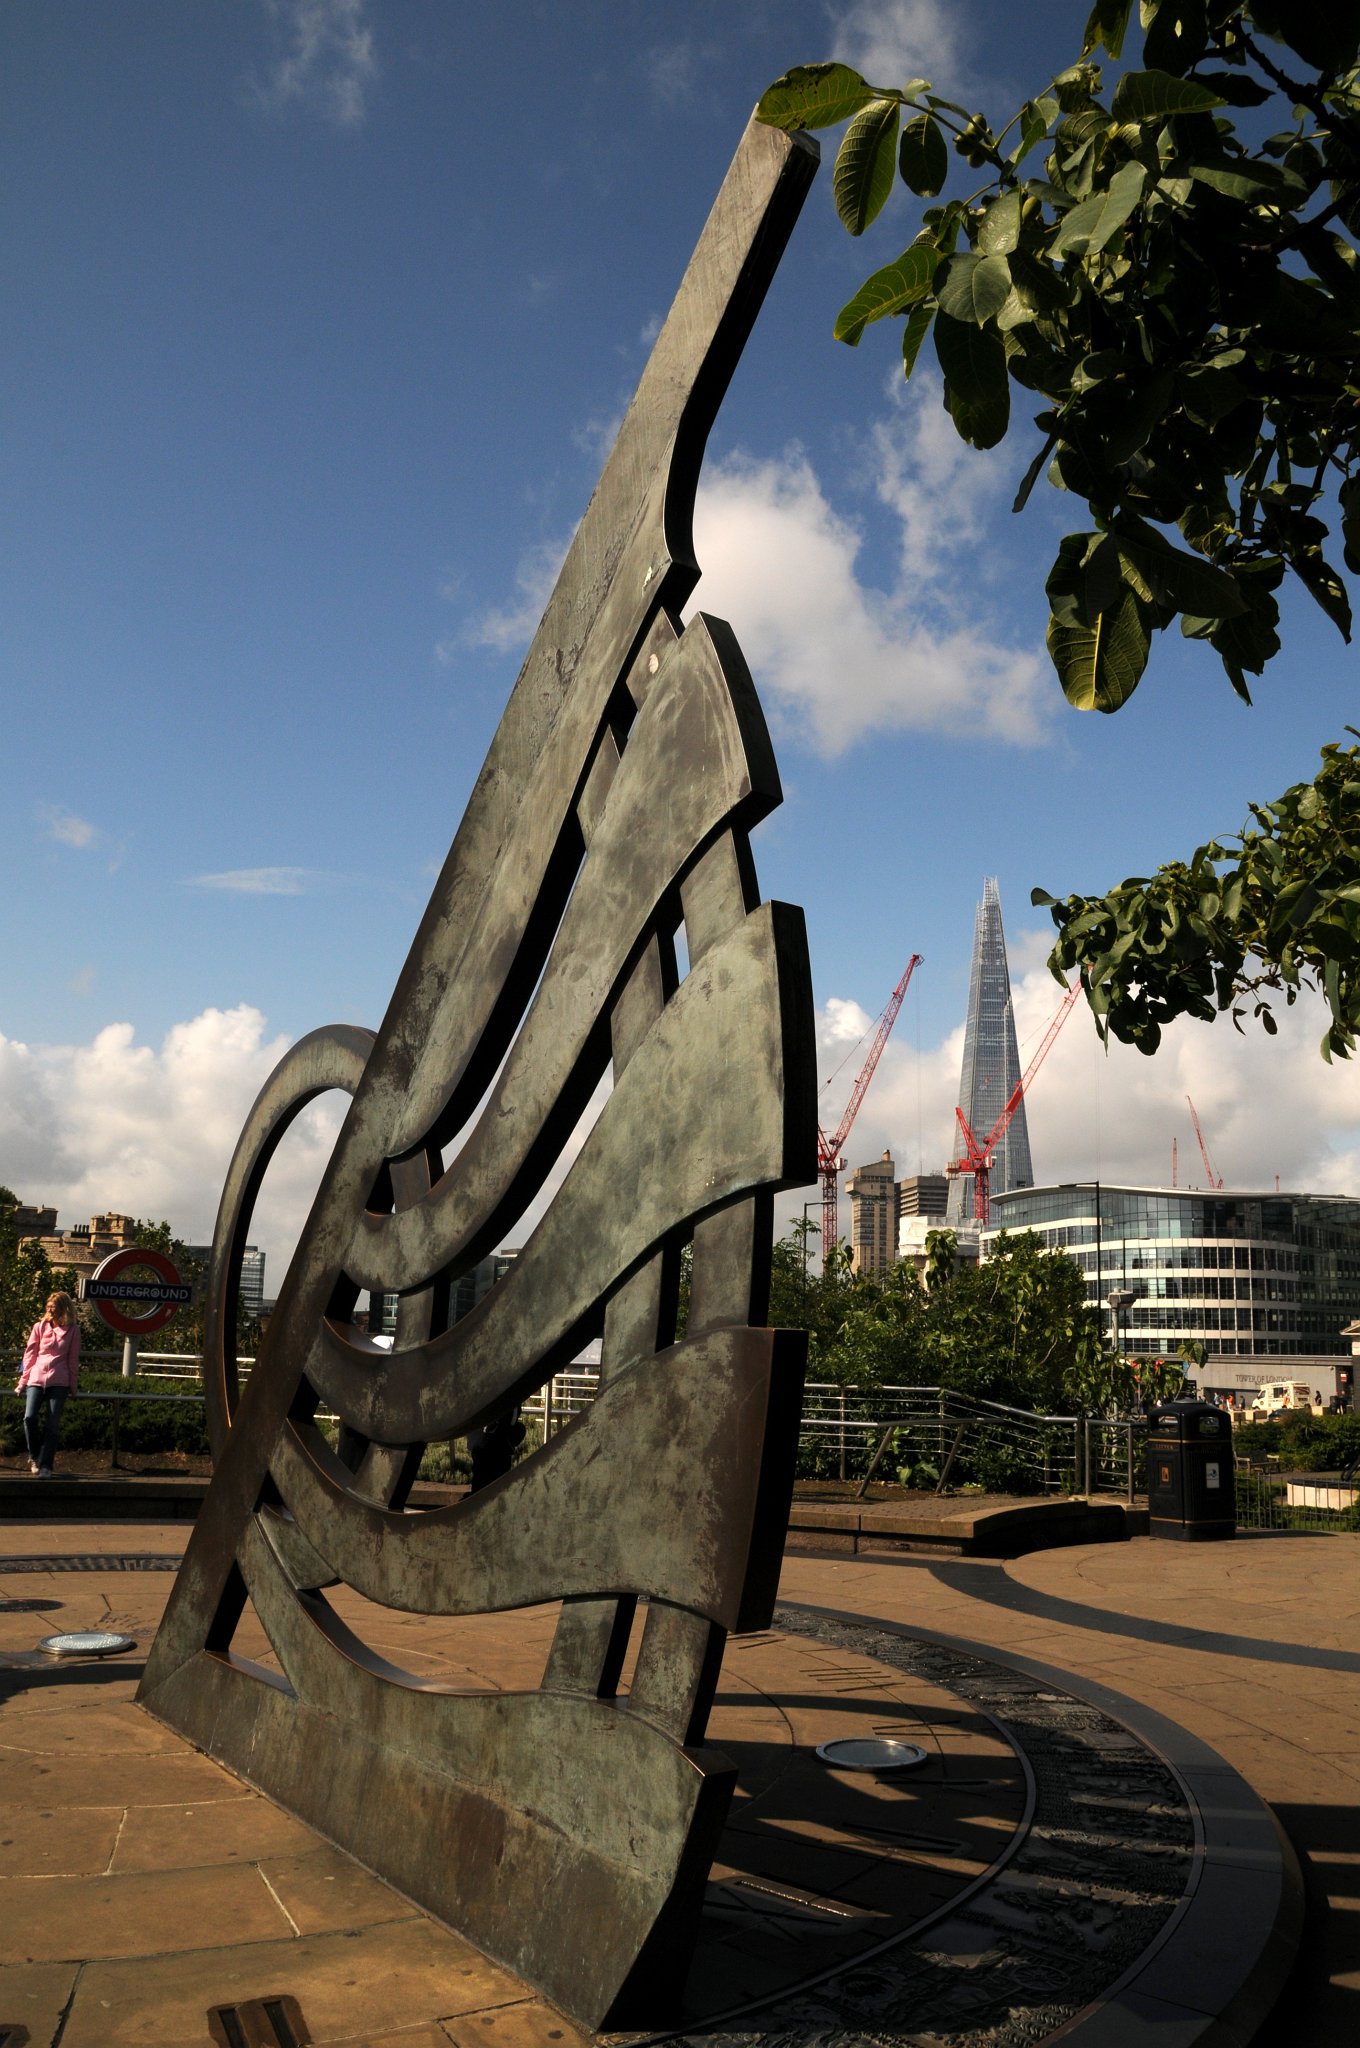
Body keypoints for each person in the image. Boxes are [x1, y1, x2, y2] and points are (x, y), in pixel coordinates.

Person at [17, 1291, 81, 1477]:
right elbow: (29, 1355)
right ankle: (34, 1456)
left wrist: (73, 1385)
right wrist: (23, 1382)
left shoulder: (73, 1331)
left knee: (52, 1425)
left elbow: (72, 1359)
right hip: (36, 1379)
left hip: (59, 1381)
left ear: (63, 1308)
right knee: (29, 1418)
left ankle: (46, 1466)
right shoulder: (39, 1327)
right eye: (49, 1306)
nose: (50, 1309)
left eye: (54, 1306)